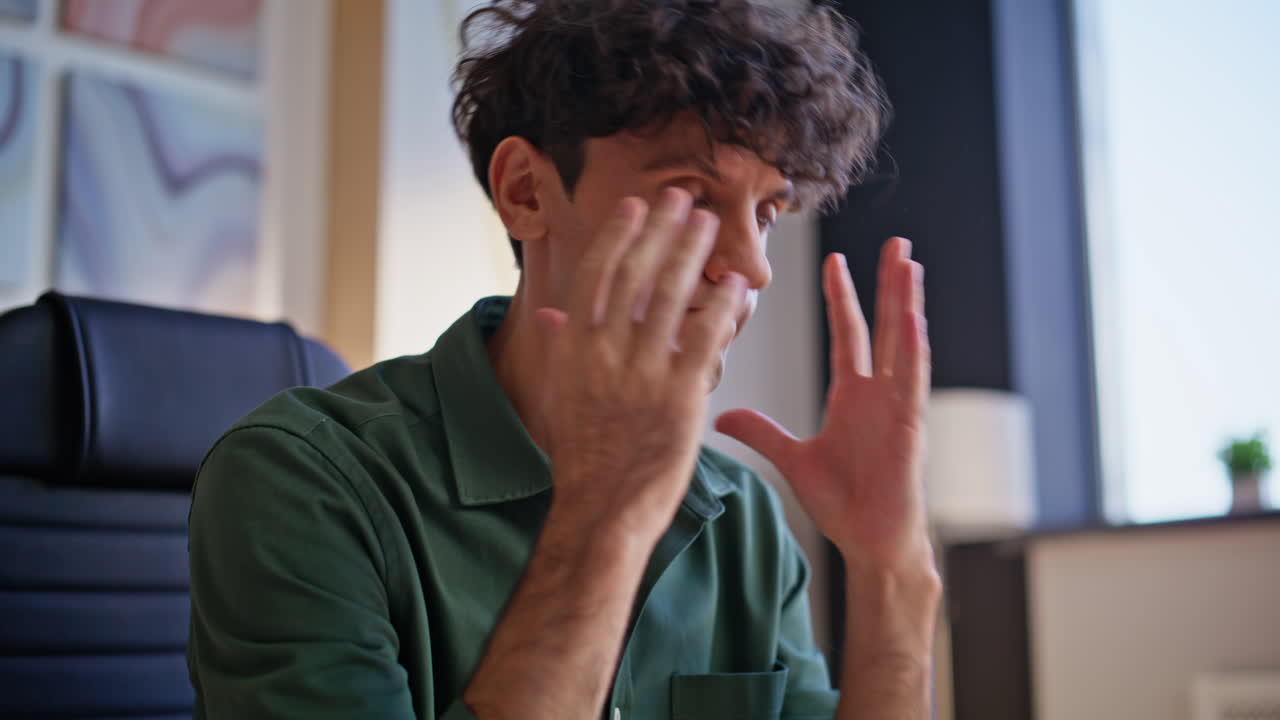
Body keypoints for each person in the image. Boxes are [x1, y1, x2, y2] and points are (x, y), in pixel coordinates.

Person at [186, 1, 940, 718]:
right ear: (525, 192)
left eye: (767, 213)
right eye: (692, 195)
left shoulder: (741, 517)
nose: (750, 265)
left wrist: (890, 567)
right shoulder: (301, 479)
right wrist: (607, 516)